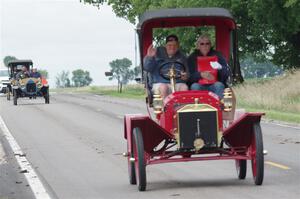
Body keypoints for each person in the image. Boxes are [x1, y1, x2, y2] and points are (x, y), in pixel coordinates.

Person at [143, 34, 189, 99]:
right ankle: (164, 108)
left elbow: (187, 74)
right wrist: (150, 57)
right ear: (166, 46)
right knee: (164, 87)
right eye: (170, 45)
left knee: (184, 87)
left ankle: (181, 108)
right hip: (159, 83)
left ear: (178, 46)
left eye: (175, 45)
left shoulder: (182, 57)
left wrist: (185, 76)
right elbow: (147, 68)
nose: (172, 47)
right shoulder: (156, 53)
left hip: (177, 83)